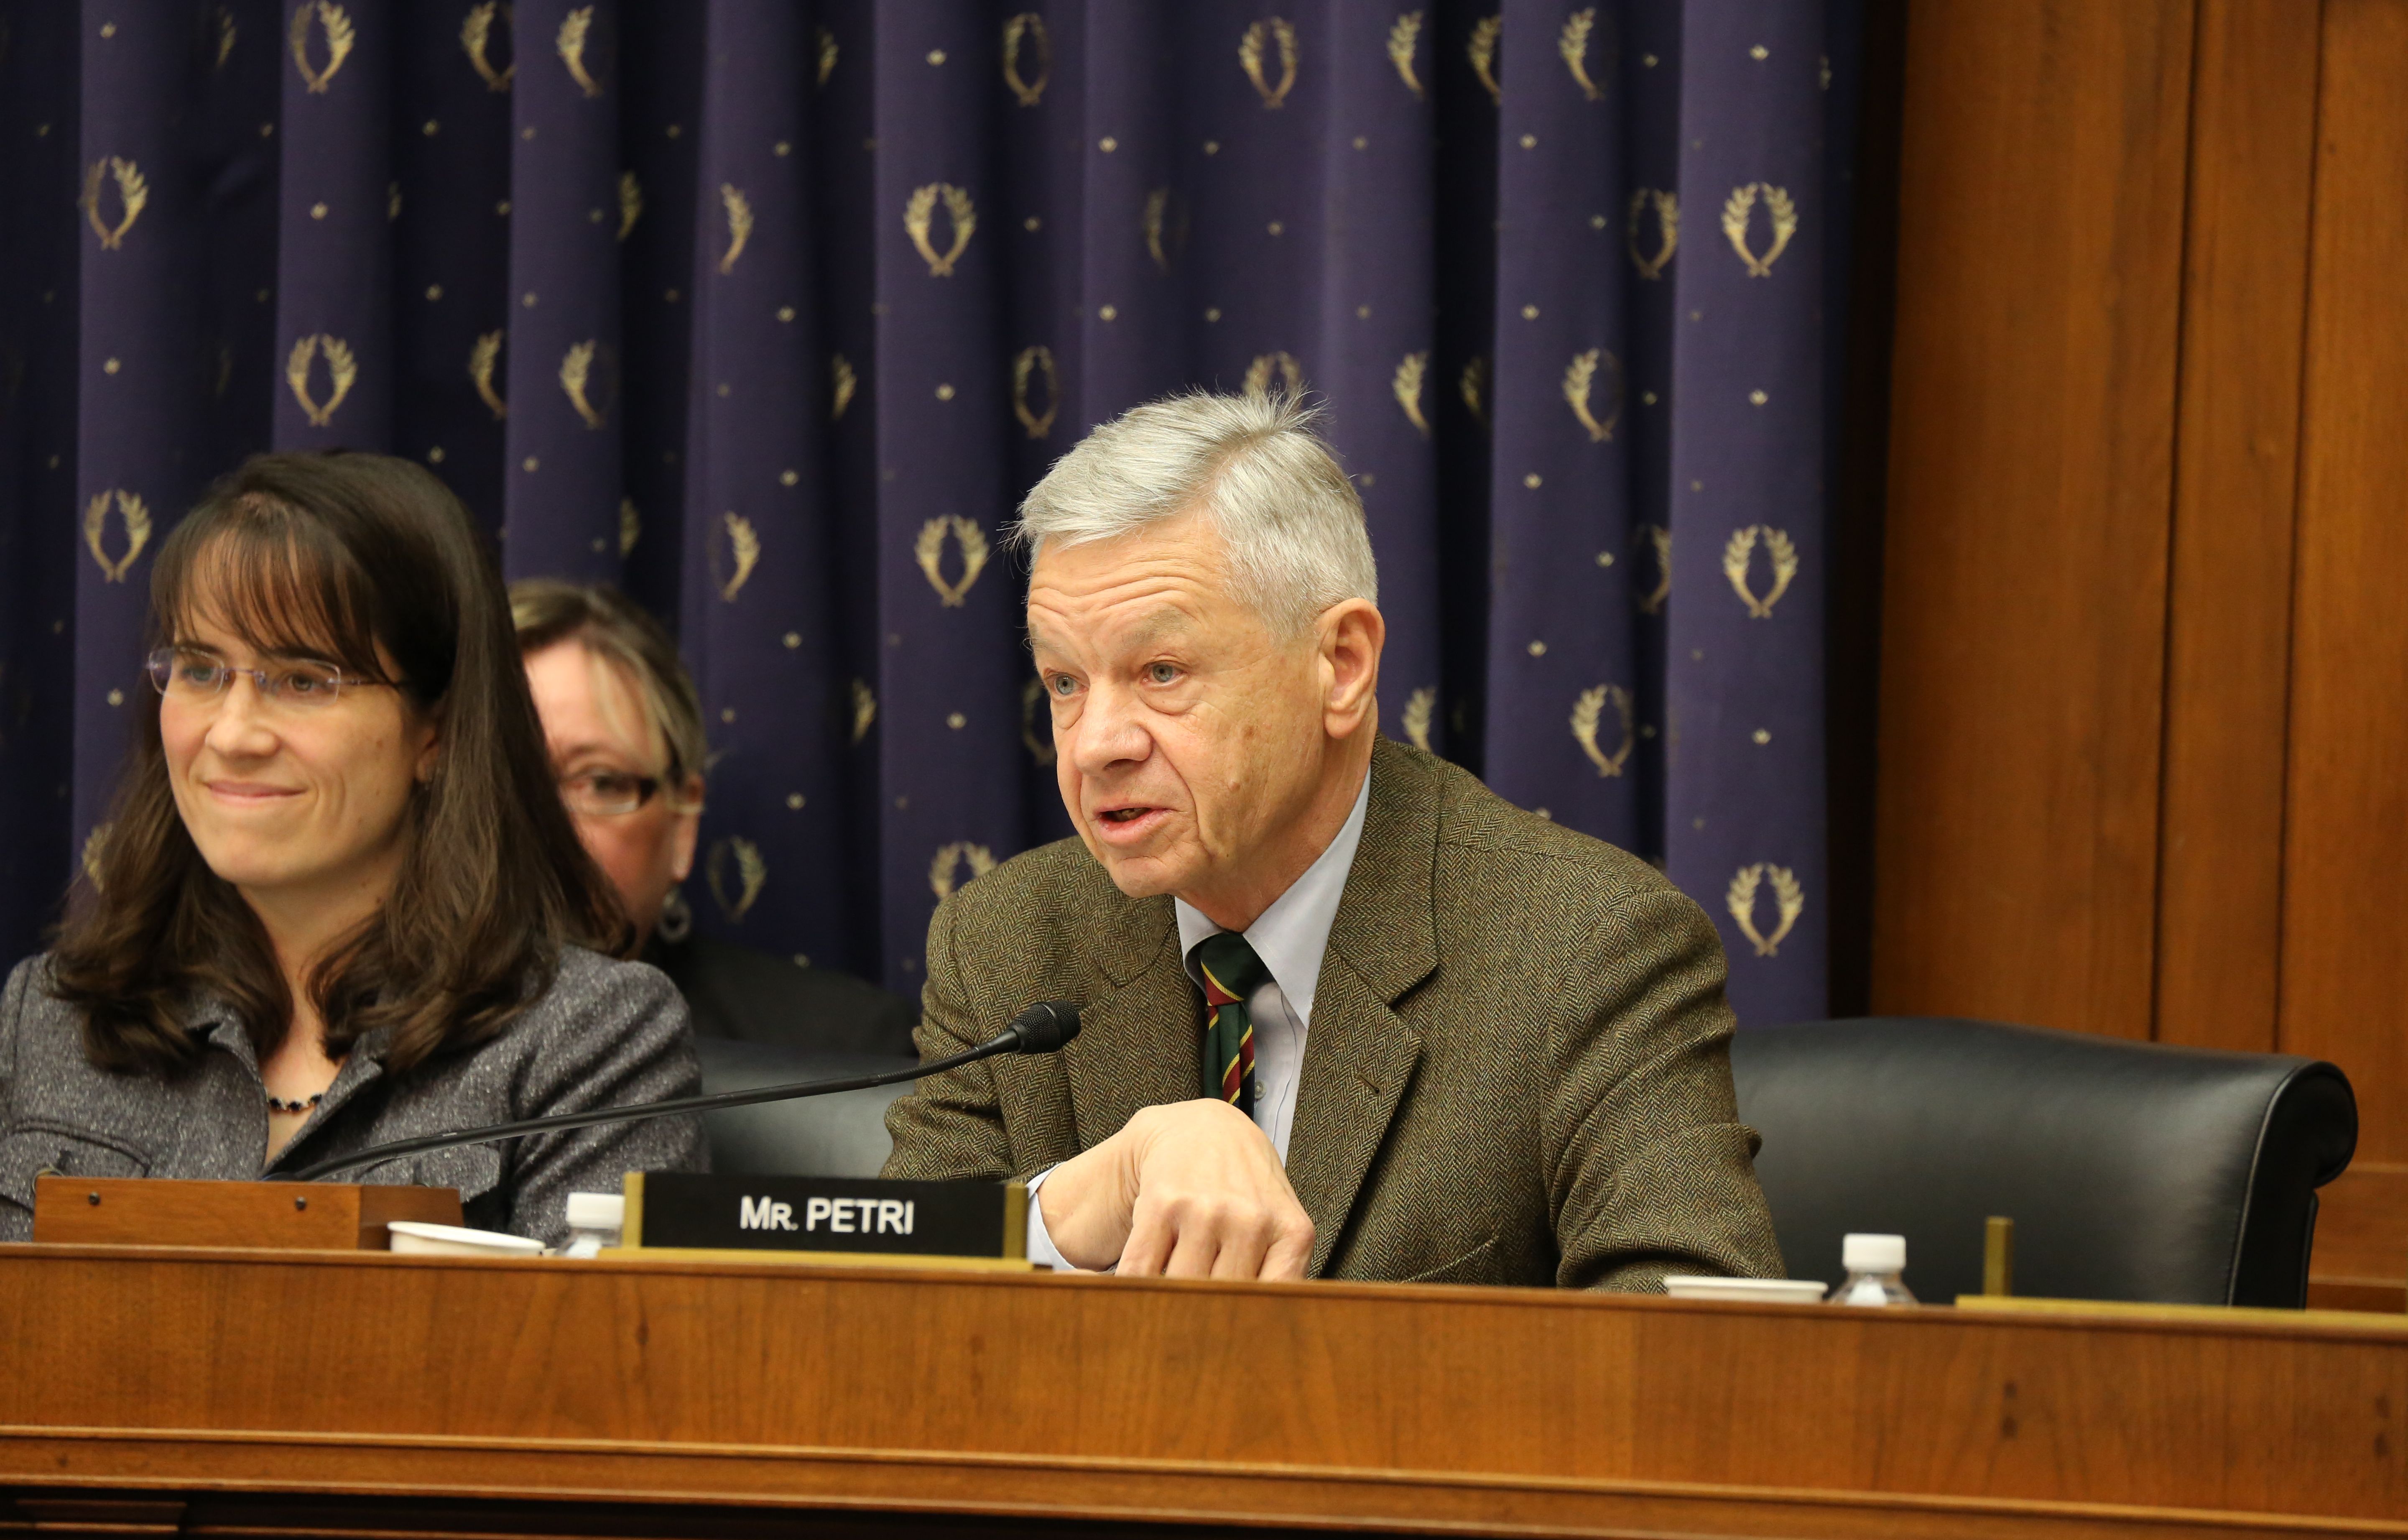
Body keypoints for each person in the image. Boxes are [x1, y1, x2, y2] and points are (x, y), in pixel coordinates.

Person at [882, 391, 1784, 1287]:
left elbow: (1693, 1349)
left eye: (1161, 671)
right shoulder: (1008, 942)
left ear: (1342, 665)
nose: (1095, 746)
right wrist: (1069, 1209)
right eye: (1066, 682)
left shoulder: (1586, 951)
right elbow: (875, 1306)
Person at [0, 452, 702, 1246]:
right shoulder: (52, 1020)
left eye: (304, 680)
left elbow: (589, 1333)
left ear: (436, 732)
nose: (232, 735)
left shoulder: (591, 1040)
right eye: (200, 670)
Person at [512, 580, 917, 1057]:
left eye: (602, 783)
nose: (550, 833)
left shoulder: (844, 1052)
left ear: (682, 823)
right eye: (504, 782)